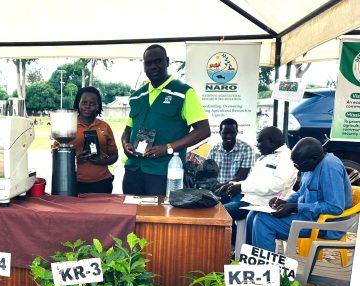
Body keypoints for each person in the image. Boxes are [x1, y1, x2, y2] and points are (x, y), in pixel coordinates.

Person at [122, 44, 210, 195]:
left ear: (167, 62)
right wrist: (125, 144)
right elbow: (128, 130)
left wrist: (168, 147)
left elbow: (203, 130)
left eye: (158, 61)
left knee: (159, 216)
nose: (153, 66)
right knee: (132, 215)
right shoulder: (137, 96)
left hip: (163, 171)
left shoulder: (183, 92)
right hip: (133, 170)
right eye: (148, 63)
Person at [249, 137, 352, 252]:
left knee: (263, 221)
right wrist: (285, 202)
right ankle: (249, 258)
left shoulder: (330, 167)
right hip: (309, 216)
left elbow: (335, 207)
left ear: (314, 158)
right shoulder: (311, 165)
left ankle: (265, 268)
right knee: (253, 214)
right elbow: (301, 193)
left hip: (326, 225)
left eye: (298, 164)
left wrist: (296, 207)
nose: (296, 167)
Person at [218, 126, 297, 222]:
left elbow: (276, 186)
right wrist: (232, 184)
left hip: (259, 203)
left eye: (259, 141)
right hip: (246, 197)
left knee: (217, 212)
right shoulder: (264, 157)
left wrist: (242, 187)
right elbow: (252, 182)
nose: (257, 145)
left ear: (271, 141)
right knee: (212, 200)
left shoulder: (287, 158)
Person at [70, 86, 118, 193]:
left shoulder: (104, 126)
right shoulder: (68, 126)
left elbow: (114, 155)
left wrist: (103, 161)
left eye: (92, 103)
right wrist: (74, 159)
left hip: (102, 182)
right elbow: (56, 154)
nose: (88, 106)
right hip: (74, 181)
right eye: (84, 102)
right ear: (78, 103)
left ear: (98, 106)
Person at [207, 118, 254, 186]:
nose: (228, 136)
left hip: (237, 191)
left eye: (232, 133)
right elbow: (209, 173)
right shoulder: (214, 149)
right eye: (225, 133)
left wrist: (221, 186)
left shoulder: (247, 149)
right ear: (220, 133)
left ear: (237, 132)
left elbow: (242, 177)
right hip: (216, 189)